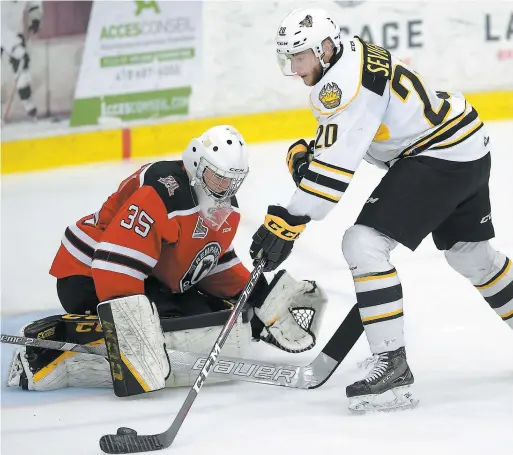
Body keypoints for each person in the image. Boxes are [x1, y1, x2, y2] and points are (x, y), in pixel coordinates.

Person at [249, 8, 513, 413]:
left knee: (362, 243)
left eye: (299, 55)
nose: (293, 66)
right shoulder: (351, 53)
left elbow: (328, 186)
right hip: (467, 142)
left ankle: (392, 365)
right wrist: (315, 158)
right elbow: (357, 133)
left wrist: (286, 222)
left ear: (323, 49)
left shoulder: (339, 87)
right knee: (473, 256)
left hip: (438, 154)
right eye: (288, 56)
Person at [7, 125, 327, 396]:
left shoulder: (222, 206)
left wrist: (258, 299)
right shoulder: (163, 189)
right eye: (218, 179)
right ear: (196, 163)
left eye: (234, 181)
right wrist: (134, 328)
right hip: (88, 273)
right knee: (167, 331)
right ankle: (55, 359)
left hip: (147, 276)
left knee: (208, 321)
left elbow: (209, 265)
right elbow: (114, 262)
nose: (226, 189)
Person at [1, 1, 42, 120]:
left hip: (15, 32)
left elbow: (35, 5)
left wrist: (35, 20)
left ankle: (28, 104)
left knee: (22, 69)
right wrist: (14, 46)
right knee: (20, 55)